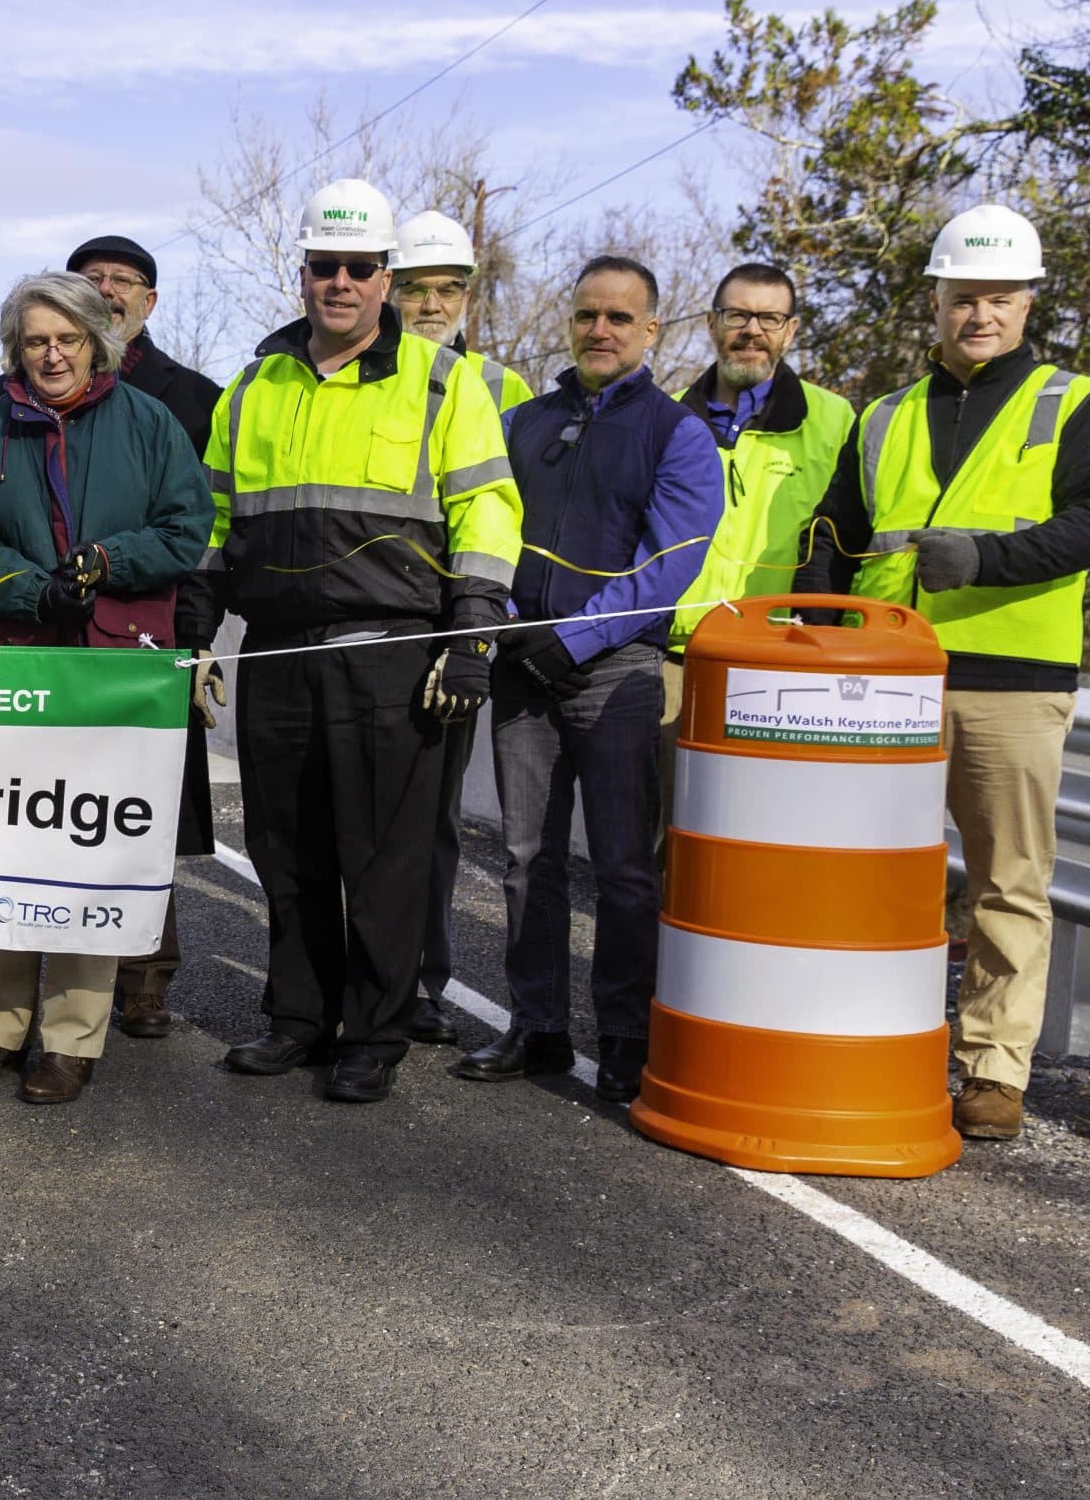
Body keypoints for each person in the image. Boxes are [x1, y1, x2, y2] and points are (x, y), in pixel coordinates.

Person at [206, 179, 521, 1105]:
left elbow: (488, 511)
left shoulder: (444, 381)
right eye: (323, 266)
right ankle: (299, 1018)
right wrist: (194, 634)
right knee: (286, 847)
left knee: (382, 856)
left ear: (386, 278)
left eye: (360, 268)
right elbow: (215, 523)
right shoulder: (254, 384)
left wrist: (471, 636)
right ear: (300, 273)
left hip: (392, 648)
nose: (340, 282)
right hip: (275, 648)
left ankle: (373, 1032)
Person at [812, 204, 1090, 1142]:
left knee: (1008, 881)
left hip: (1012, 676)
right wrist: (817, 630)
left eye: (1000, 297)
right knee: (874, 873)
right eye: (964, 295)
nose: (981, 312)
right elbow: (838, 536)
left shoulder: (1074, 401)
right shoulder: (885, 414)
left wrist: (983, 562)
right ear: (934, 302)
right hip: (886, 674)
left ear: (1028, 303)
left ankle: (991, 1068)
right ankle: (864, 1031)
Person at [0, 271, 211, 1105]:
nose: (51, 354)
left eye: (68, 339)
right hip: (21, 659)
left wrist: (109, 562)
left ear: (98, 341)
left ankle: (71, 1035)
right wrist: (29, 587)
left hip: (117, 662)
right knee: (12, 839)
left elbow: (185, 526)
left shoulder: (149, 421)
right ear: (15, 348)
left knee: (89, 847)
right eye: (35, 340)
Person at [452, 256, 720, 1105]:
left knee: (623, 867)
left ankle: (625, 1036)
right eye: (586, 315)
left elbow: (671, 563)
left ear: (650, 331)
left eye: (618, 317)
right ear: (570, 322)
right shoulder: (524, 422)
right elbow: (488, 529)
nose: (599, 330)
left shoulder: (678, 433)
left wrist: (574, 639)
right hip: (523, 669)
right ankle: (536, 1026)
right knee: (527, 858)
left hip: (617, 672)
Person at [69, 234, 225, 1038]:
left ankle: (144, 975)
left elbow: (205, 531)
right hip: (55, 634)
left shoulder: (193, 396)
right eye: (88, 280)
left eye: (121, 281)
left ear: (149, 302)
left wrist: (194, 639)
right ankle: (26, 968)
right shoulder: (18, 385)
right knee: (39, 802)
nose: (105, 291)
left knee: (143, 810)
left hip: (151, 633)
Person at [387, 209, 535, 1046]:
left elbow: (504, 520)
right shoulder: (369, 374)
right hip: (382, 625)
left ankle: (418, 982)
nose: (432, 304)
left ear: (470, 294)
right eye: (416, 288)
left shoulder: (508, 392)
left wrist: (472, 634)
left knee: (432, 823)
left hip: (456, 635)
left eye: (448, 288)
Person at [661, 263, 854, 866]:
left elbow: (844, 544)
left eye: (769, 318)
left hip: (783, 667)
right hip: (673, 659)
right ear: (713, 323)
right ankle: (656, 962)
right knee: (662, 838)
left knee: (762, 840)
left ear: (791, 330)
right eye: (738, 316)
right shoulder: (665, 417)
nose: (753, 331)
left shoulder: (837, 422)